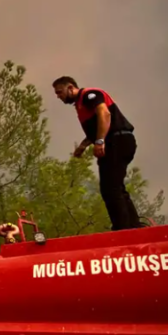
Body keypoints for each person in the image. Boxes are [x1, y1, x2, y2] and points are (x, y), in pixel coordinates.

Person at [52, 76, 142, 231]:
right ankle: (133, 226)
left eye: (60, 92)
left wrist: (100, 141)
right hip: (119, 141)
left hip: (118, 140)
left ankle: (123, 228)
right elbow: (96, 127)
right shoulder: (81, 105)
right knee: (114, 186)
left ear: (70, 88)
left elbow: (104, 114)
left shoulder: (89, 95)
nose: (58, 96)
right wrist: (83, 145)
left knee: (111, 187)